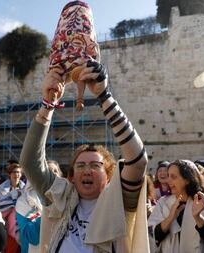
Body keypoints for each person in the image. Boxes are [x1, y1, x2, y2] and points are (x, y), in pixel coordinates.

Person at [20, 61, 149, 252]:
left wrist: (104, 97)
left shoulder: (118, 201)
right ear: (71, 176)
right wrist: (48, 104)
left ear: (109, 174)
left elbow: (138, 162)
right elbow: (30, 162)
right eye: (80, 166)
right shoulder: (61, 197)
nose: (87, 170)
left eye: (95, 165)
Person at [148, 160, 204, 253]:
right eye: (168, 176)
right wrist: (170, 218)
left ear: (187, 179)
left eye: (173, 177)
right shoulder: (163, 203)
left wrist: (198, 218)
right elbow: (151, 237)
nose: (168, 180)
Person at [0, 163, 25, 253]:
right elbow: (1, 205)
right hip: (7, 223)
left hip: (21, 220)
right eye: (15, 172)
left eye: (19, 172)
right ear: (9, 174)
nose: (17, 174)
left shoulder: (25, 188)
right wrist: (13, 200)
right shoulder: (1, 188)